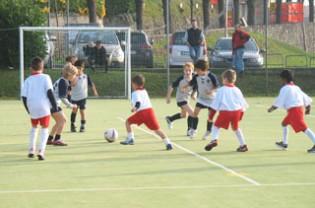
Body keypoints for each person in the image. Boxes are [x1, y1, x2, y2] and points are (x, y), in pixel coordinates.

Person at [120, 74, 173, 150]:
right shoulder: (144, 91)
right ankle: (168, 143)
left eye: (132, 84)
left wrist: (135, 108)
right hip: (150, 112)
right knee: (157, 129)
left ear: (134, 84)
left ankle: (130, 138)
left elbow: (138, 102)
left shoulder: (135, 93)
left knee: (128, 122)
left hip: (142, 113)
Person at [268, 69, 315, 153]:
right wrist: (308, 108)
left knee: (304, 128)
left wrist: (271, 109)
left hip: (295, 111)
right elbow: (306, 98)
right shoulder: (296, 87)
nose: (280, 81)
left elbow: (279, 101)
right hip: (296, 110)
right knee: (284, 123)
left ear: (284, 79)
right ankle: (284, 143)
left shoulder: (285, 88)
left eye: (281, 79)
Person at [21, 57, 58, 160]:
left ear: (31, 68)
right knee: (44, 129)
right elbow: (50, 93)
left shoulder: (27, 80)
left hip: (32, 106)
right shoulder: (46, 77)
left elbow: (24, 97)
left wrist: (28, 110)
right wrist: (54, 107)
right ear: (42, 68)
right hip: (43, 107)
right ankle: (41, 151)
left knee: (33, 128)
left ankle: (31, 150)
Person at [204, 69, 249, 152]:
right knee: (236, 128)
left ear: (225, 79)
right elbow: (243, 104)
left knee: (216, 126)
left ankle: (214, 140)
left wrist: (211, 117)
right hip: (237, 112)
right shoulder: (237, 90)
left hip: (226, 112)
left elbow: (215, 106)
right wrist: (240, 116)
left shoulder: (221, 90)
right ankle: (243, 145)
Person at [183, 59, 219, 139]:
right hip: (202, 98)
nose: (196, 71)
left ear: (203, 70)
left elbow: (217, 86)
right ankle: (194, 130)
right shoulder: (196, 76)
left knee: (210, 117)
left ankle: (208, 131)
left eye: (197, 70)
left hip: (212, 99)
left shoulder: (211, 76)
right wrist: (185, 86)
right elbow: (191, 82)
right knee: (195, 113)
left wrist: (211, 91)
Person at [47, 64, 78, 146]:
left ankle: (50, 139)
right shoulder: (63, 82)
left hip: (51, 104)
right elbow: (62, 98)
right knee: (63, 120)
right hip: (53, 105)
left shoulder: (62, 80)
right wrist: (71, 105)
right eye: (74, 75)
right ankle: (57, 139)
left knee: (58, 122)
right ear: (70, 74)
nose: (75, 77)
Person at [165, 62, 195, 134]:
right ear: (183, 71)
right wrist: (168, 97)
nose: (187, 72)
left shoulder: (195, 78)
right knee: (192, 113)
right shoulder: (181, 79)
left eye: (189, 70)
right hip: (181, 100)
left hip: (187, 100)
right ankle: (189, 130)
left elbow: (196, 88)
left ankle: (170, 119)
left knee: (183, 115)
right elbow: (171, 86)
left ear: (192, 71)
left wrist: (194, 95)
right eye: (186, 70)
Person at [70, 60, 99, 133]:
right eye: (77, 68)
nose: (78, 69)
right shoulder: (72, 76)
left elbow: (91, 84)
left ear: (83, 68)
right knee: (74, 110)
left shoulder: (86, 76)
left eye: (80, 68)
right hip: (74, 97)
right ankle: (72, 124)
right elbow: (71, 85)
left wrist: (95, 91)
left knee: (82, 111)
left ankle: (83, 125)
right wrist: (75, 77)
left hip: (83, 97)